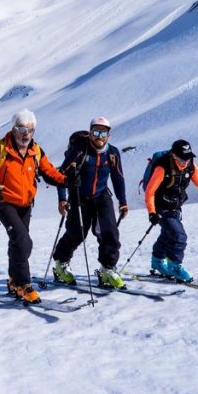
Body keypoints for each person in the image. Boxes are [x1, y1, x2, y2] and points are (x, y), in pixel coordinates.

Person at [0, 109, 67, 304]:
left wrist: (67, 180)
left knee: (18, 244)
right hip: (4, 203)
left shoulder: (36, 151)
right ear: (13, 129)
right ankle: (24, 285)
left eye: (30, 129)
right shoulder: (0, 149)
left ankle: (13, 280)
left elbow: (49, 171)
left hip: (26, 204)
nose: (26, 133)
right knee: (23, 241)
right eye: (21, 129)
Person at [51, 116, 128, 289]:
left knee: (110, 234)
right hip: (79, 197)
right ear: (90, 132)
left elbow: (118, 178)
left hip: (102, 197)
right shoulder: (79, 151)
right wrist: (62, 199)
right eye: (95, 132)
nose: (99, 136)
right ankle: (60, 263)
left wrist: (122, 201)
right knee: (76, 234)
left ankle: (107, 269)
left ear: (109, 135)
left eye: (103, 132)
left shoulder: (113, 153)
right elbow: (61, 175)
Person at [145, 139, 198, 283]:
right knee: (178, 235)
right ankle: (174, 266)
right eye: (182, 158)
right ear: (174, 155)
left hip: (176, 206)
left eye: (188, 157)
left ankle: (157, 261)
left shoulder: (191, 166)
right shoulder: (162, 168)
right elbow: (150, 192)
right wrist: (152, 212)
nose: (185, 161)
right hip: (160, 207)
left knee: (168, 235)